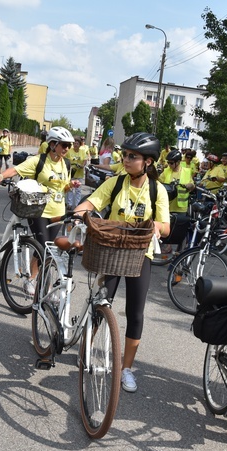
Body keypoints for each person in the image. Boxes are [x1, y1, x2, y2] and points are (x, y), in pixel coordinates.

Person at [74, 132, 170, 394]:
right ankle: (86, 349)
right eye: (124, 155)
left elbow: (166, 225)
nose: (125, 159)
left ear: (148, 162)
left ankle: (126, 368)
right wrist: (79, 213)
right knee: (101, 301)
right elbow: (92, 202)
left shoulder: (156, 189)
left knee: (135, 312)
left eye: (132, 156)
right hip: (111, 251)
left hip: (140, 253)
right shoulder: (116, 183)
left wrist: (156, 228)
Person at [0, 127, 77, 294]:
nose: (67, 149)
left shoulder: (66, 163)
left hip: (57, 211)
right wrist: (2, 175)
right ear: (53, 144)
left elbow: (63, 188)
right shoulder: (39, 161)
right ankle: (35, 281)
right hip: (38, 209)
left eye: (69, 146)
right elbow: (17, 170)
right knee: (43, 247)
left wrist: (70, 186)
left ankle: (36, 279)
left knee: (46, 247)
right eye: (64, 145)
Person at [67, 137, 89, 210]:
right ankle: (69, 204)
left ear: (80, 145)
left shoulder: (82, 151)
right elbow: (66, 160)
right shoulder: (69, 151)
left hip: (79, 173)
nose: (75, 145)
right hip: (71, 172)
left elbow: (85, 160)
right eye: (74, 143)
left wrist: (82, 165)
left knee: (78, 190)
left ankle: (77, 204)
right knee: (70, 188)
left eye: (77, 143)